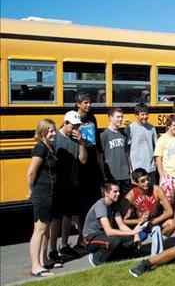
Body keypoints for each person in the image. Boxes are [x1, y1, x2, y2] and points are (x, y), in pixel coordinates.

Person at [49, 111, 88, 263]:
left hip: (72, 182)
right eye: (73, 125)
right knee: (56, 218)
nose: (75, 128)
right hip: (58, 183)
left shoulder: (76, 140)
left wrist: (81, 143)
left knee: (68, 216)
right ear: (65, 123)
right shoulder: (55, 137)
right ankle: (52, 249)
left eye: (78, 126)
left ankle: (64, 245)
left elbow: (83, 160)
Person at [82, 182, 144, 266]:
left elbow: (121, 225)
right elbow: (109, 231)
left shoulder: (114, 204)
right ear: (106, 193)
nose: (118, 194)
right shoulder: (101, 205)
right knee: (115, 241)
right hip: (90, 239)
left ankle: (113, 258)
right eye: (115, 191)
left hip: (103, 235)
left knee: (129, 240)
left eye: (118, 191)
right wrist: (132, 232)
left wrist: (135, 235)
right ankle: (96, 258)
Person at [27, 119, 59, 277]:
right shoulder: (40, 148)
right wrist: (31, 190)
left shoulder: (49, 147)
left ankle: (44, 260)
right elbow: (31, 173)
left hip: (50, 193)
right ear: (42, 133)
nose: (53, 133)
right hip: (42, 194)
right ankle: (35, 266)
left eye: (54, 130)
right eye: (50, 131)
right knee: (39, 230)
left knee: (46, 228)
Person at [75, 91, 103, 234]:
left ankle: (95, 229)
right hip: (80, 163)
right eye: (85, 102)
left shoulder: (92, 117)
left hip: (92, 161)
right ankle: (81, 233)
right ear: (78, 104)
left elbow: (96, 141)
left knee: (94, 197)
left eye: (89, 102)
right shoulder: (74, 118)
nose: (89, 105)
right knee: (82, 201)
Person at [122, 168, 175, 237]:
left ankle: (160, 240)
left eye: (148, 179)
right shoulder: (131, 195)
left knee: (172, 223)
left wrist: (152, 222)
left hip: (155, 221)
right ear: (135, 182)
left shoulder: (156, 189)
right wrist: (137, 220)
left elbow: (170, 211)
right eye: (143, 181)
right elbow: (122, 220)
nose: (147, 182)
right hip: (139, 224)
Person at [100, 108, 132, 197]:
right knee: (113, 202)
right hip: (112, 175)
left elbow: (127, 154)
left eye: (121, 117)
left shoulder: (124, 135)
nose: (121, 119)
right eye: (118, 117)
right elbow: (101, 156)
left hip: (125, 175)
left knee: (126, 201)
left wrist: (130, 171)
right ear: (110, 118)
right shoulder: (103, 135)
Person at [125, 103, 158, 185]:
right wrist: (130, 169)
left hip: (150, 167)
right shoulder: (130, 128)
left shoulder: (152, 128)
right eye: (142, 114)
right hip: (137, 168)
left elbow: (156, 147)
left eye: (147, 114)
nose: (145, 116)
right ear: (136, 115)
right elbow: (127, 151)